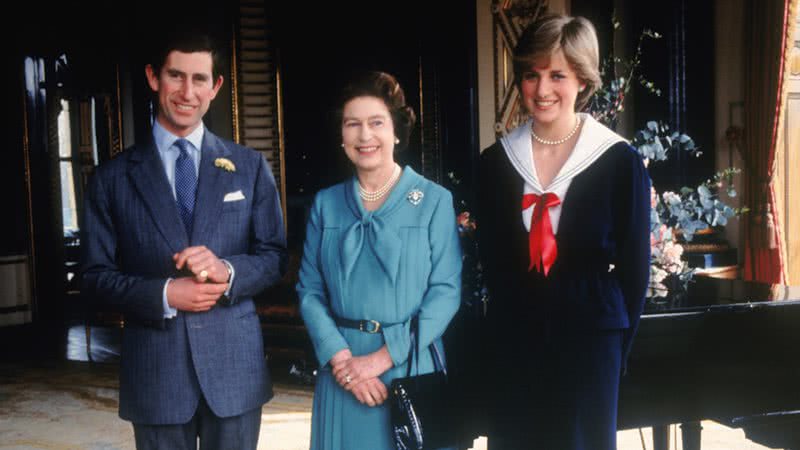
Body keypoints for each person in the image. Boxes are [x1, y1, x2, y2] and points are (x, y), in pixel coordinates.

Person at [80, 30, 287, 450]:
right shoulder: (111, 179)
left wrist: (227, 271)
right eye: (176, 76)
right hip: (156, 377)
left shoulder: (248, 167)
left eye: (199, 79)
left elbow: (274, 257)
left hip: (235, 374)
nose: (187, 92)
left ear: (216, 87)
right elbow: (94, 276)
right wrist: (165, 293)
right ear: (154, 77)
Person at [476, 14, 651, 450]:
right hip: (515, 340)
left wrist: (612, 350)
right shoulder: (495, 163)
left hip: (591, 343)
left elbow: (635, 272)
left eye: (557, 75)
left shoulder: (618, 161)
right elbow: (493, 265)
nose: (542, 89)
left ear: (582, 79)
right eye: (531, 75)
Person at [296, 71, 462, 449]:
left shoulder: (434, 201)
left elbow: (447, 292)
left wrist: (381, 359)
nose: (364, 135)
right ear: (341, 136)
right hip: (341, 370)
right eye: (352, 124)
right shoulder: (326, 204)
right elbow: (309, 290)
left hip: (410, 367)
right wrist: (344, 364)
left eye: (376, 123)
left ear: (397, 132)